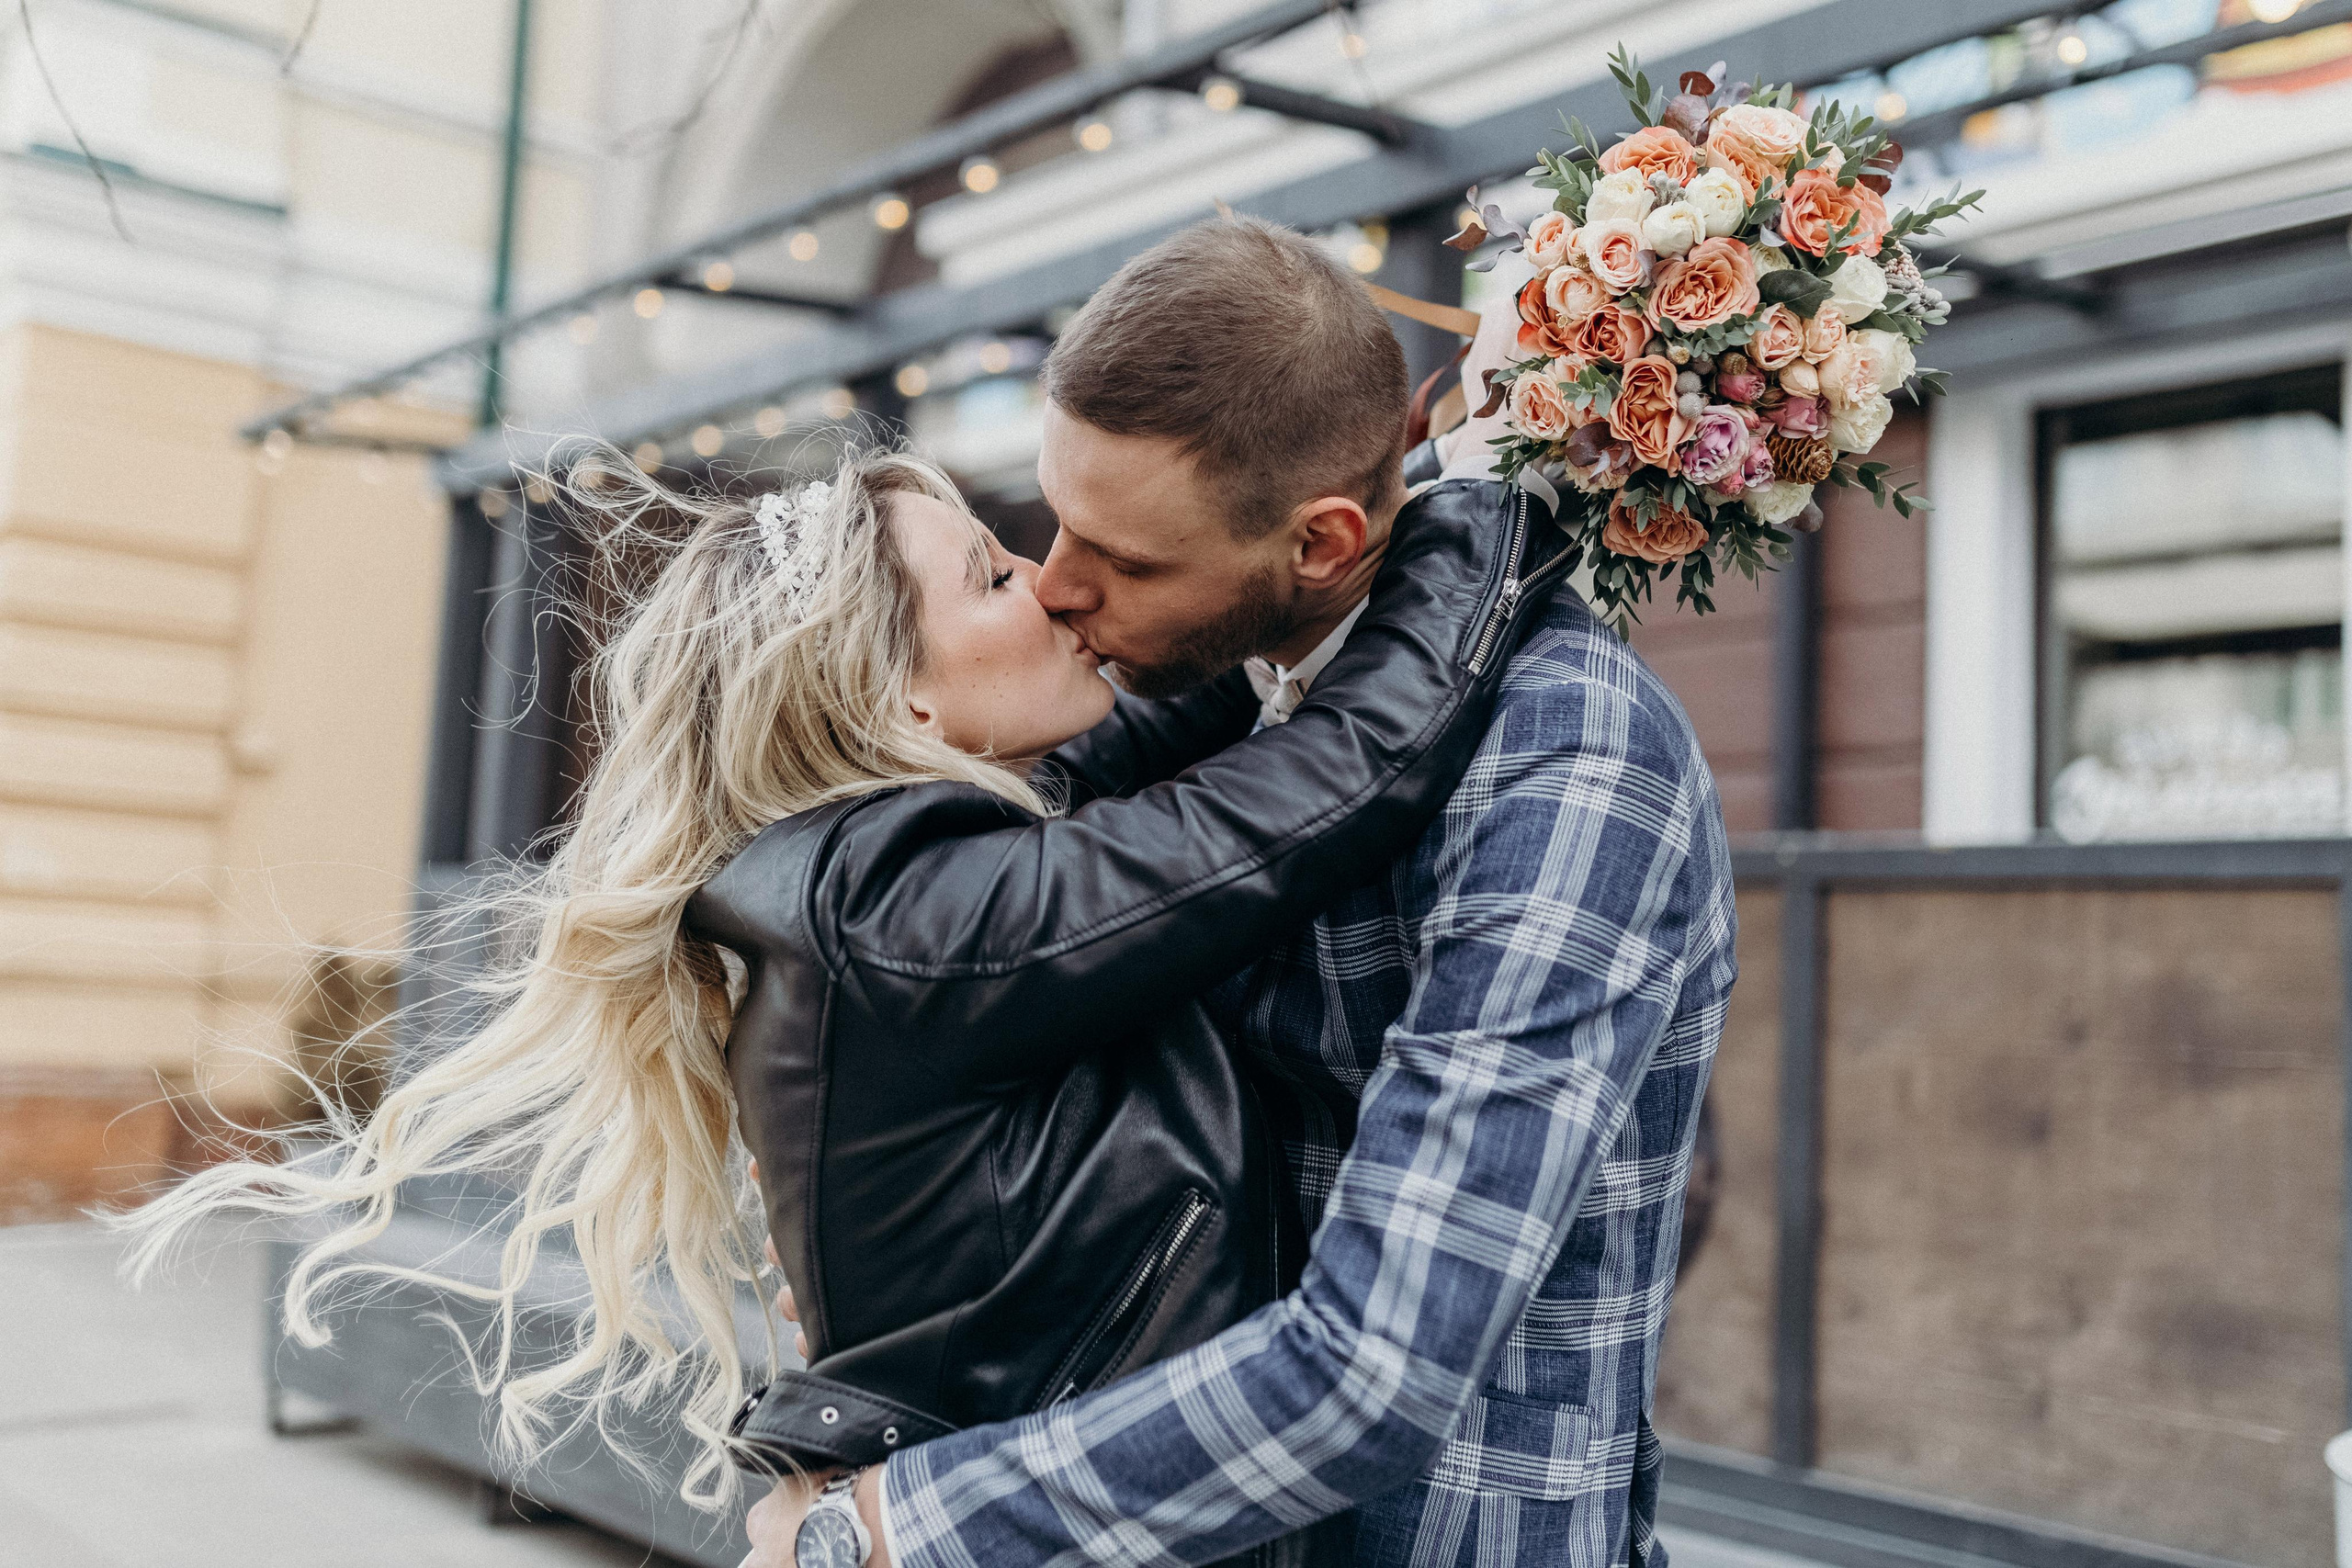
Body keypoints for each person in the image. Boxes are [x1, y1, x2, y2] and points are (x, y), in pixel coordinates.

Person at [115, 424, 1548, 1525]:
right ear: (900, 699)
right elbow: (1335, 779)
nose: (1052, 585)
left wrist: (1367, 483)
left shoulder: (865, 877)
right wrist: (1508, 482)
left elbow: (1207, 694)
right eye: (994, 573)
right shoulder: (910, 916)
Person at [745, 216, 1736, 1568]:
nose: (1056, 585)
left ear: (1322, 544)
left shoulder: (1570, 758)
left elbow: (1381, 1366)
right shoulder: (1216, 696)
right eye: (1048, 526)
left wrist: (891, 1529)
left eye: (1129, 561)